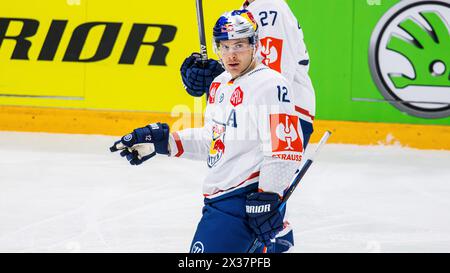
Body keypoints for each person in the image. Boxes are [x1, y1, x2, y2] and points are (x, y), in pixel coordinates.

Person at [110, 9, 313, 253]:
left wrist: (268, 199)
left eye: (239, 45)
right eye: (224, 47)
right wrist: (164, 141)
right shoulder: (220, 84)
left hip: (242, 202)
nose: (231, 55)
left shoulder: (270, 84)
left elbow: (283, 150)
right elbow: (214, 141)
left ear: (254, 44)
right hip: (218, 201)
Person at [180, 0, 316, 252]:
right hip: (265, 118)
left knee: (258, 207)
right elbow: (244, 75)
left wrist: (217, 78)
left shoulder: (269, 8)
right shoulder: (254, 8)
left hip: (280, 120)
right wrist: (213, 76)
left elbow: (270, 81)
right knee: (259, 214)